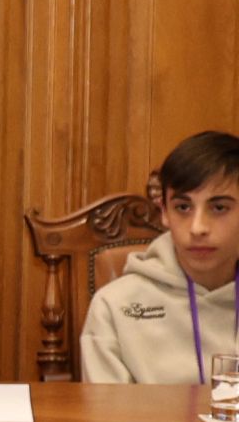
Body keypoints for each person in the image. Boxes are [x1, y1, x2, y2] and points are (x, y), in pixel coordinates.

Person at [80, 130, 239, 384]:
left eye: (219, 208)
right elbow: (106, 419)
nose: (197, 227)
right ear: (164, 212)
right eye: (183, 208)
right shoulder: (114, 306)